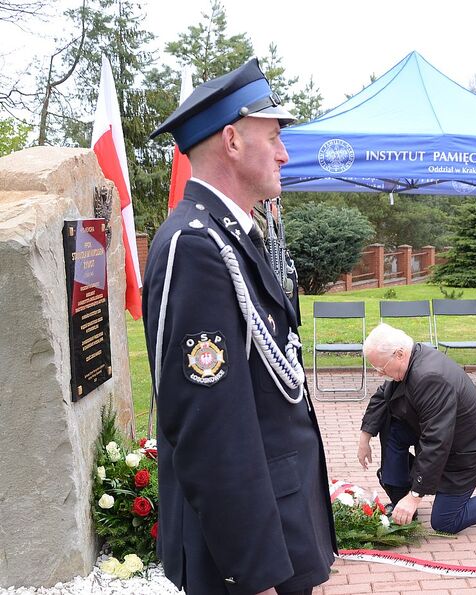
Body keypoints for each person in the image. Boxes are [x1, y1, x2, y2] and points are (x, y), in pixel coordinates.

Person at [143, 59, 336, 595]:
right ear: (231, 141)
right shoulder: (196, 247)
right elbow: (210, 427)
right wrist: (253, 571)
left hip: (279, 523)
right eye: (272, 136)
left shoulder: (234, 236)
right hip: (251, 550)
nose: (283, 152)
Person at [357, 323, 476, 534]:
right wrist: (365, 438)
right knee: (392, 423)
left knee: (445, 522)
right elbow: (383, 395)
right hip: (445, 440)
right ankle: (400, 501)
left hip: (467, 453)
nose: (379, 373)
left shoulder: (429, 377)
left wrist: (415, 496)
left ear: (400, 354)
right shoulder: (411, 361)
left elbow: (436, 441)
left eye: (380, 367)